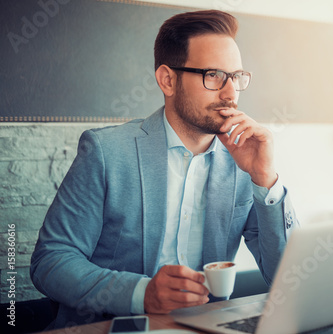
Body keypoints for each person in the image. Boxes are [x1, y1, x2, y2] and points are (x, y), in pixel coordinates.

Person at [30, 9, 297, 329]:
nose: (231, 93)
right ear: (167, 80)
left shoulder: (243, 164)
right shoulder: (106, 153)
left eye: (236, 77)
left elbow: (287, 277)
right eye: (213, 75)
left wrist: (265, 178)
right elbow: (51, 261)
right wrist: (141, 293)